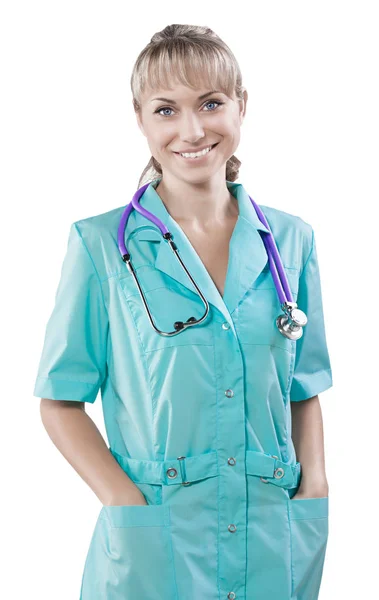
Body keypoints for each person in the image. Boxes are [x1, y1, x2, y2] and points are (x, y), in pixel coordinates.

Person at [33, 23, 333, 600]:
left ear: (242, 106)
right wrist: (123, 501)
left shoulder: (292, 240)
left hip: (273, 534)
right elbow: (59, 401)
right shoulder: (100, 246)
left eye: (211, 103)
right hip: (159, 535)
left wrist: (315, 485)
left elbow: (304, 386)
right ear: (140, 119)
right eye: (166, 109)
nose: (192, 130)